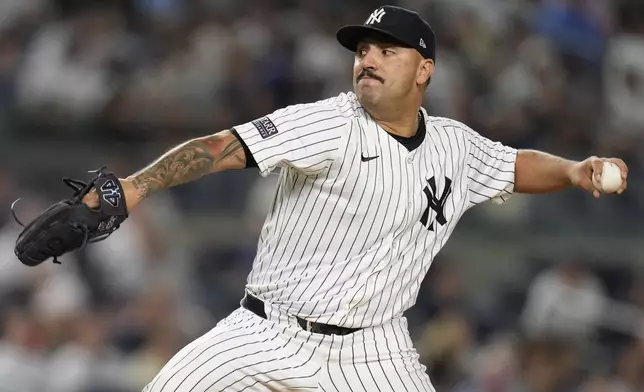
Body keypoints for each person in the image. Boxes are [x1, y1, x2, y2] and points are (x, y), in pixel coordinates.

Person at [84, 5, 628, 392]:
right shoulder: (330, 122)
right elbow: (222, 147)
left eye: (386, 51)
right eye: (363, 50)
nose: (367, 59)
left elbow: (514, 165)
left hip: (374, 351)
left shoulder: (455, 146)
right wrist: (134, 188)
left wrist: (576, 170)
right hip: (266, 330)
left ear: (424, 70)